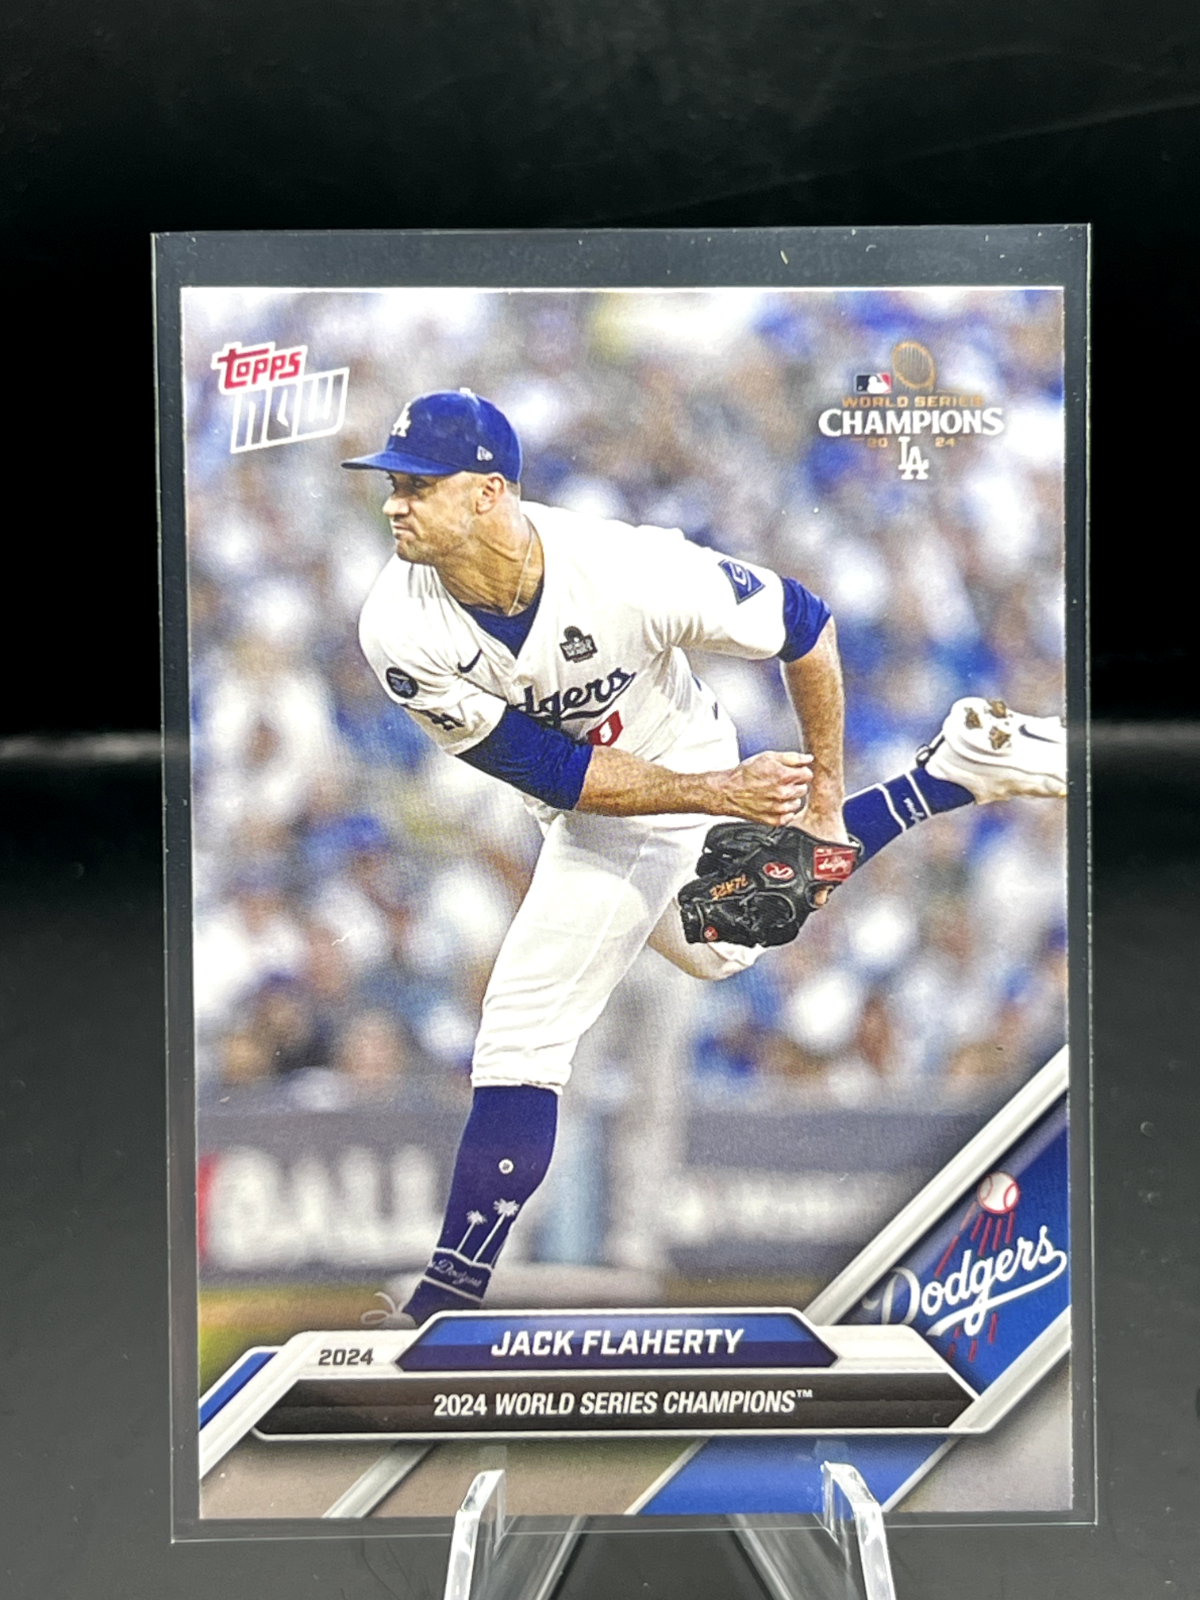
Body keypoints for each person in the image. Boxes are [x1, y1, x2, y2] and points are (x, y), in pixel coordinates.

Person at [345, 388, 1066, 1326]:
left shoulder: (625, 568)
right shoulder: (397, 626)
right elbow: (555, 772)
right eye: (393, 485)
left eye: (418, 484)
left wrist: (822, 796)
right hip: (614, 791)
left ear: (488, 493)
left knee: (523, 1023)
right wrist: (719, 796)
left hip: (675, 752)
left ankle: (446, 1299)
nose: (395, 503)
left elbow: (805, 622)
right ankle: (946, 775)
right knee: (721, 943)